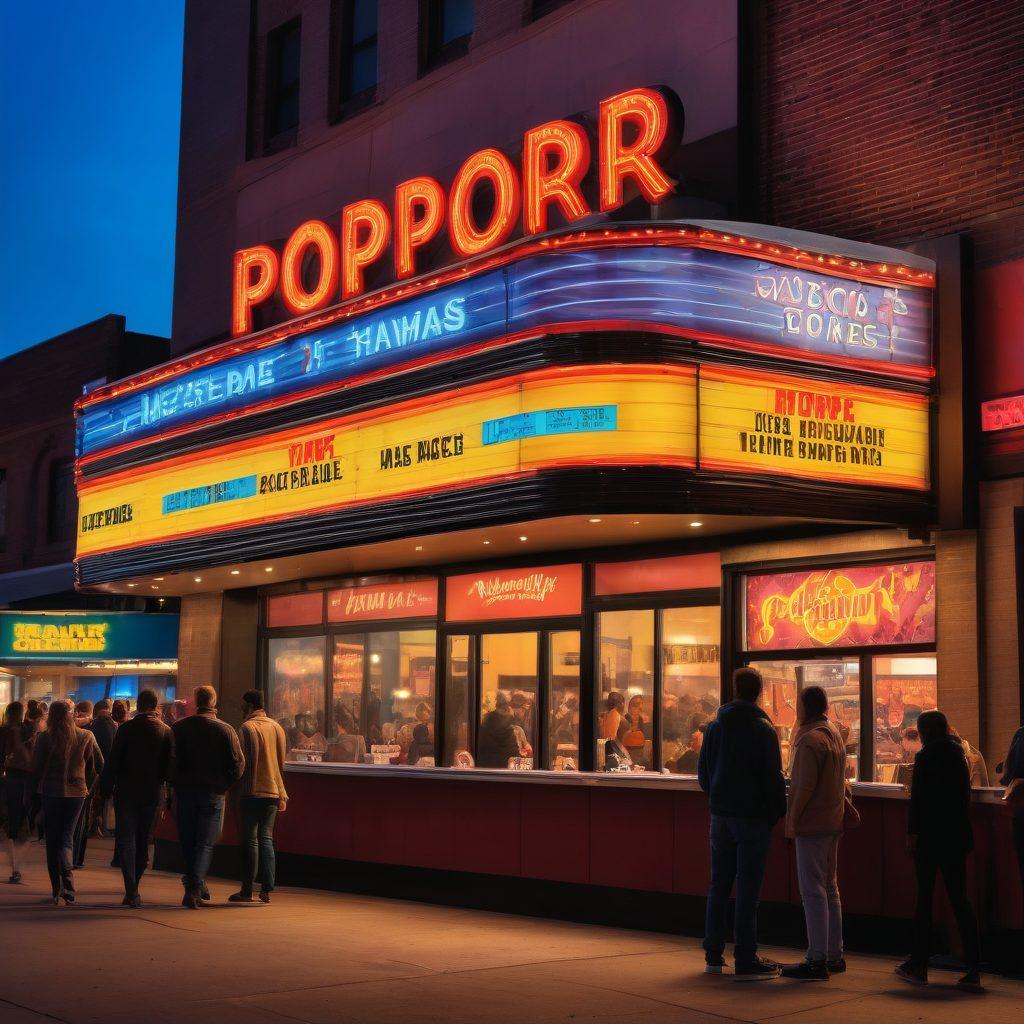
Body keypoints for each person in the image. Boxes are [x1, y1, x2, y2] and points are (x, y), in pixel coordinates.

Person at [698, 666, 786, 981]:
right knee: (748, 888)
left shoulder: (715, 727)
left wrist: (716, 799)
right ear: (759, 691)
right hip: (752, 817)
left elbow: (703, 773)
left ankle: (712, 955)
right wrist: (774, 813)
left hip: (720, 816)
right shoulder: (764, 729)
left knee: (718, 884)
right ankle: (745, 957)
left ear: (734, 689)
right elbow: (773, 778)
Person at [895, 710, 981, 992]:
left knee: (925, 899)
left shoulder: (926, 757)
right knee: (960, 899)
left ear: (924, 732)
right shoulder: (959, 756)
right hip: (956, 837)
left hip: (931, 840)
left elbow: (918, 800)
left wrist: (912, 834)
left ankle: (919, 964)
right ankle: (974, 967)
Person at [780, 686, 849, 981]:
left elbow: (803, 787)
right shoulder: (833, 734)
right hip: (833, 821)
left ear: (803, 707)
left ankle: (816, 959)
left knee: (812, 891)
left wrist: (791, 820)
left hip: (813, 824)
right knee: (830, 888)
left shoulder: (809, 741)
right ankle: (835, 954)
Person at [98, 688, 173, 907]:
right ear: (155, 705)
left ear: (139, 705)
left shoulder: (126, 729)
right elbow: (170, 766)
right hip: (152, 792)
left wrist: (106, 787)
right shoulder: (166, 731)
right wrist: (167, 793)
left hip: (126, 791)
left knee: (127, 839)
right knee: (143, 840)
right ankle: (135, 884)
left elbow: (114, 760)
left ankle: (130, 888)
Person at [171, 685, 245, 909]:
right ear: (214, 702)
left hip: (184, 791)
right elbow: (239, 763)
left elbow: (171, 760)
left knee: (188, 840)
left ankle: (194, 882)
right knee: (205, 842)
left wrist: (173, 784)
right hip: (213, 793)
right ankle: (195, 887)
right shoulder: (225, 729)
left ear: (196, 701)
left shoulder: (179, 728)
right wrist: (224, 784)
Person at [29, 700, 103, 904]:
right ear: (71, 715)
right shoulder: (86, 735)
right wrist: (86, 784)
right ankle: (68, 887)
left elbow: (35, 767)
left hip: (50, 791)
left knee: (52, 840)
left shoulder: (45, 738)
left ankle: (57, 888)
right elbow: (99, 764)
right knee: (67, 837)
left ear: (51, 716)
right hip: (77, 792)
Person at [229, 690, 287, 904]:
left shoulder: (246, 728)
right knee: (266, 838)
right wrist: (282, 792)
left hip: (250, 791)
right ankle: (267, 888)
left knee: (249, 840)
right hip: (273, 790)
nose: (242, 709)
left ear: (250, 705)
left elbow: (239, 761)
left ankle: (246, 889)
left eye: (244, 705)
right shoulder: (277, 728)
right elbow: (282, 762)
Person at [1, 701, 32, 883]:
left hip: (6, 779)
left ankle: (14, 867)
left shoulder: (3, 731)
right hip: (24, 781)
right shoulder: (27, 730)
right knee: (21, 822)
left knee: (8, 825)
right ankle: (17, 867)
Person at [477, 692, 519, 769]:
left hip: (485, 768)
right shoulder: (509, 726)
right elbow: (514, 752)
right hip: (507, 770)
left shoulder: (487, 720)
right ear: (507, 707)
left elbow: (481, 745)